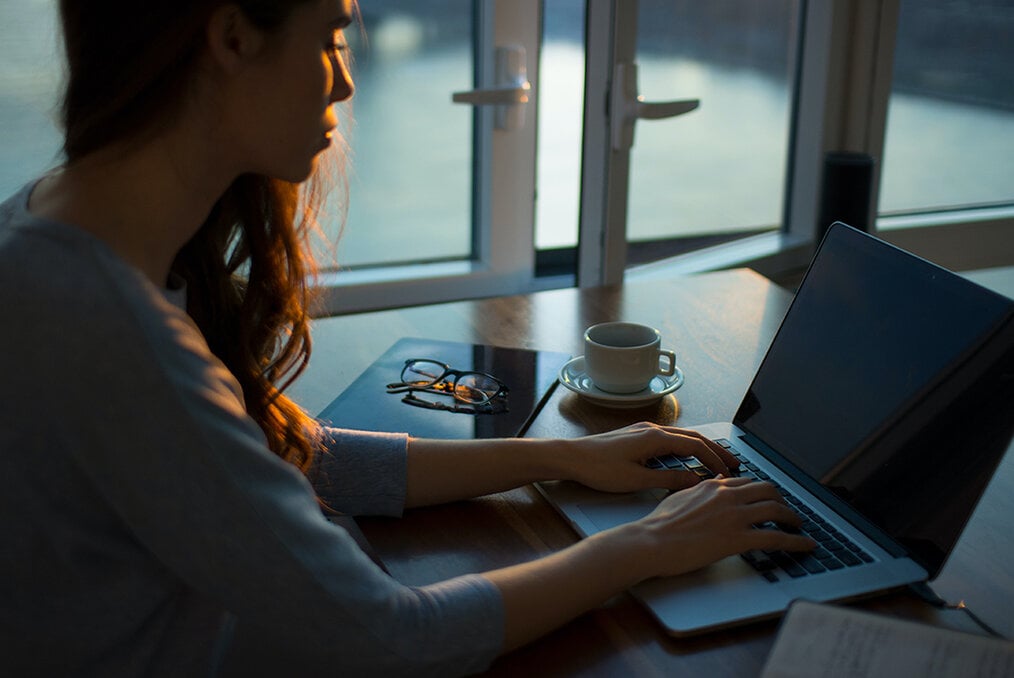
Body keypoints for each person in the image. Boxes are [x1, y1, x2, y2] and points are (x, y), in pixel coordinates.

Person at [0, 1, 813, 675]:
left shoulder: (49, 222)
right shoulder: (115, 337)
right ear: (232, 37)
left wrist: (558, 458)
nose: (347, 77)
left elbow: (285, 455)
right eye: (330, 37)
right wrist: (644, 545)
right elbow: (394, 639)